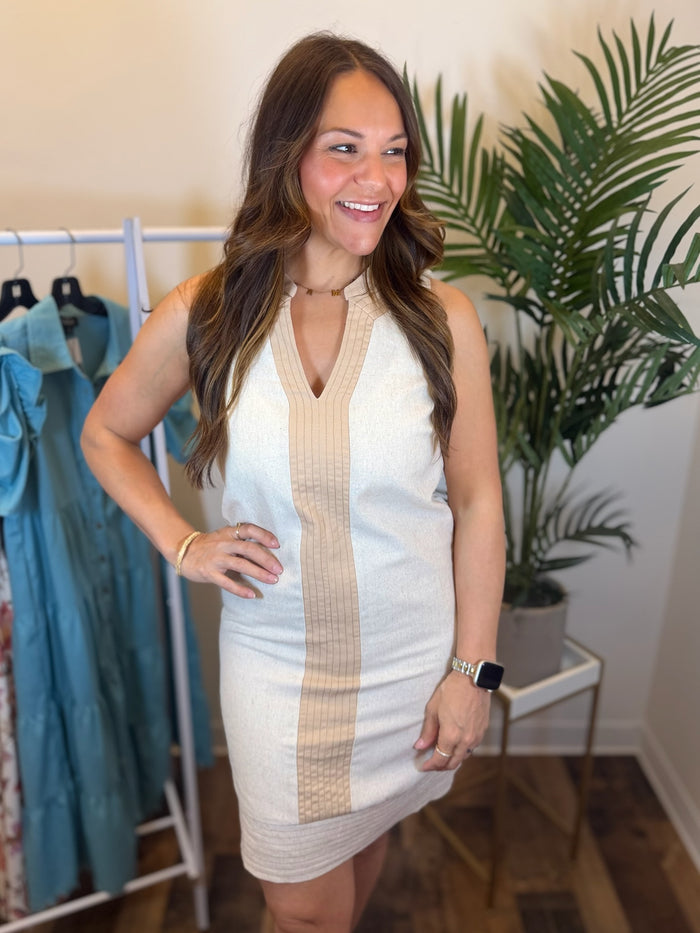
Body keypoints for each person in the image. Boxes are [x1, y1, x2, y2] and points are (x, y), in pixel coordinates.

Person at [81, 32, 505, 933]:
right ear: (287, 157)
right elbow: (106, 433)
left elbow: (476, 503)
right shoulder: (205, 313)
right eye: (344, 148)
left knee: (357, 864)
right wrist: (183, 543)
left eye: (394, 151)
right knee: (302, 907)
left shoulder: (441, 317)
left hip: (412, 666)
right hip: (277, 672)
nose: (377, 177)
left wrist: (474, 671)